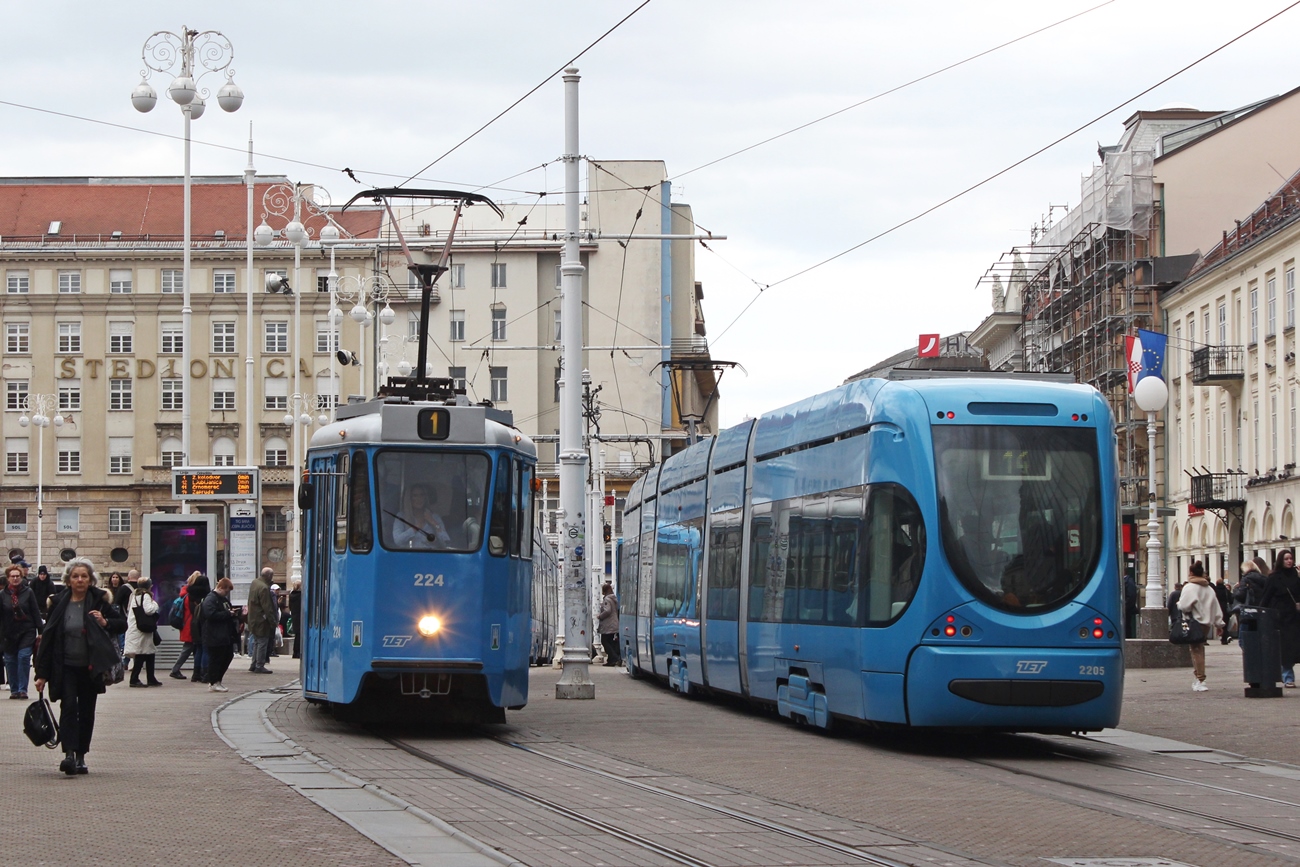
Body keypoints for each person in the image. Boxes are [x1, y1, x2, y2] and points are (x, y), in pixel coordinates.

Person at [32, 558, 126, 776]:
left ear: (90, 579)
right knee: (68, 708)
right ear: (68, 580)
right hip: (65, 666)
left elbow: (122, 624)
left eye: (84, 576)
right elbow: (48, 640)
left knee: (86, 711)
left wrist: (105, 622)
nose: (80, 580)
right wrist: (41, 674)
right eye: (75, 576)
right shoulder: (58, 602)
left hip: (90, 667)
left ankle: (82, 755)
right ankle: (69, 755)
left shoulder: (100, 600)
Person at [1176, 561, 1224, 692]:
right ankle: (1198, 677)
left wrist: (1178, 604)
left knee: (1196, 650)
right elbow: (1216, 607)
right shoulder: (1209, 589)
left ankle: (1200, 679)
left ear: (1191, 573)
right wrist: (1219, 624)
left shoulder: (1190, 587)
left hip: (1194, 622)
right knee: (1199, 648)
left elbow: (1185, 606)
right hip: (1206, 624)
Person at [1, 562, 44, 699]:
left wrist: (41, 630)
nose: (15, 578)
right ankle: (14, 690)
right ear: (8, 578)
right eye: (12, 576)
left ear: (21, 577)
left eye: (17, 576)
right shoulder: (2, 595)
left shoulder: (28, 592)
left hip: (27, 630)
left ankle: (22, 689)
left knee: (23, 657)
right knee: (10, 660)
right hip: (9, 632)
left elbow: (35, 611)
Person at [1262, 548, 1300, 688]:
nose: (1289, 561)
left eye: (1291, 558)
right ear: (1280, 561)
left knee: (1294, 647)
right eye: (1286, 559)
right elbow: (1266, 598)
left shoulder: (1296, 576)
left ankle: (1287, 674)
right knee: (1285, 648)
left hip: (1295, 617)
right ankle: (1288, 677)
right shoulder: (1274, 577)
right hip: (1280, 618)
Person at [201, 578, 238, 692]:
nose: (227, 593)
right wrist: (228, 613)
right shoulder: (211, 599)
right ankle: (213, 682)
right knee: (216, 658)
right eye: (226, 591)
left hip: (223, 634)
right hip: (214, 634)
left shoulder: (222, 599)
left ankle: (217, 681)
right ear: (221, 588)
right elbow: (210, 614)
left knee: (227, 656)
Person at [124, 577, 162, 687]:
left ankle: (151, 677)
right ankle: (134, 679)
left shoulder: (135, 595)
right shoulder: (145, 596)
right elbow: (149, 610)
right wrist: (155, 604)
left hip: (137, 628)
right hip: (142, 630)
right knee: (141, 654)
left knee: (149, 653)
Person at [393, 483, 452, 548]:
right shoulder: (401, 516)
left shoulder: (435, 517)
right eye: (415, 496)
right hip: (410, 555)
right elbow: (397, 541)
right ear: (409, 498)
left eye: (422, 495)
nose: (419, 499)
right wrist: (416, 528)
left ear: (425, 497)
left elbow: (446, 543)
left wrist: (434, 523)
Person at [246, 567, 278, 674]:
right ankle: (259, 665)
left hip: (253, 618)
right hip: (261, 620)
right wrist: (273, 621)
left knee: (256, 642)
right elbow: (267, 607)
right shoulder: (264, 588)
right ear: (269, 576)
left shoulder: (255, 583)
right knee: (262, 643)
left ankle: (254, 664)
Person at [170, 572, 199, 680]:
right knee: (188, 649)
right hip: (191, 626)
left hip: (186, 624)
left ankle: (177, 669)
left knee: (190, 649)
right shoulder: (191, 596)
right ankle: (175, 669)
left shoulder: (184, 593)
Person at [597, 582, 621, 666]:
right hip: (614, 623)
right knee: (610, 642)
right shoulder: (614, 598)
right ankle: (611, 660)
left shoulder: (607, 599)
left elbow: (607, 610)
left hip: (608, 625)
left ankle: (613, 658)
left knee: (605, 641)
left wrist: (600, 616)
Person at [288, 581, 302, 660]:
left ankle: (295, 652)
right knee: (299, 636)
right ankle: (298, 652)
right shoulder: (301, 596)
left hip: (294, 616)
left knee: (297, 635)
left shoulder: (291, 595)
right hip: (300, 616)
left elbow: (290, 607)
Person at [1123, 572, 1139, 637]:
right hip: (1126, 609)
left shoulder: (1128, 581)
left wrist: (1125, 607)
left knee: (1126, 627)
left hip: (1126, 610)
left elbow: (1131, 596)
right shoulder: (1127, 581)